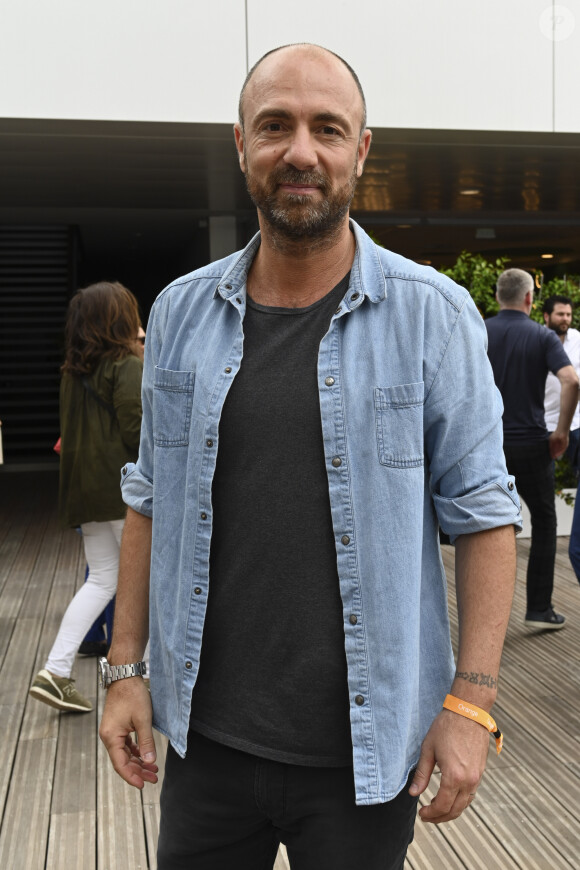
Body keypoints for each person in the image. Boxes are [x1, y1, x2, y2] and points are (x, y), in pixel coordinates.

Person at [100, 44, 521, 870]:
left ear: (361, 150)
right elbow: (150, 497)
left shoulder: (431, 316)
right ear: (241, 145)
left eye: (328, 128)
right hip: (204, 744)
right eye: (276, 126)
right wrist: (125, 665)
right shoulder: (181, 313)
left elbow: (485, 516)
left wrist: (471, 705)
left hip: (365, 762)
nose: (301, 150)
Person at [29, 281, 143, 712]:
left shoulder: (72, 373)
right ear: (120, 318)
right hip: (123, 492)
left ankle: (55, 672)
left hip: (84, 493)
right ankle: (142, 679)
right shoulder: (126, 365)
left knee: (102, 581)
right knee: (148, 585)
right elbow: (137, 432)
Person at [486, 270, 578, 631]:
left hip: (488, 447)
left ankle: (488, 618)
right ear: (529, 300)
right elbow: (571, 380)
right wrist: (561, 433)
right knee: (544, 522)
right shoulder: (542, 336)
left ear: (497, 297)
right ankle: (539, 607)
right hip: (531, 446)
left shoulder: (479, 331)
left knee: (488, 527)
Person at [543, 295, 580, 582]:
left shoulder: (578, 339)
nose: (565, 319)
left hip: (577, 424)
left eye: (568, 314)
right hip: (543, 427)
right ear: (546, 316)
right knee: (543, 495)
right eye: (560, 314)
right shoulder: (537, 341)